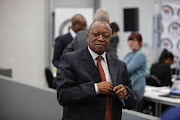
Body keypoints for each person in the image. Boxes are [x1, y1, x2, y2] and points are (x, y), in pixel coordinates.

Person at [56, 21, 137, 120]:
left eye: (106, 36)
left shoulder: (120, 65)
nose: (101, 39)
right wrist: (96, 88)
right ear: (87, 36)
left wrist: (125, 94)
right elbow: (63, 96)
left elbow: (133, 101)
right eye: (96, 34)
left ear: (110, 39)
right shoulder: (71, 60)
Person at [123, 32, 146, 106]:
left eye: (133, 40)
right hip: (130, 88)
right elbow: (120, 67)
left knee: (132, 112)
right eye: (129, 40)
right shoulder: (129, 54)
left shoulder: (140, 54)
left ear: (140, 42)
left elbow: (127, 69)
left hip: (136, 87)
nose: (130, 42)